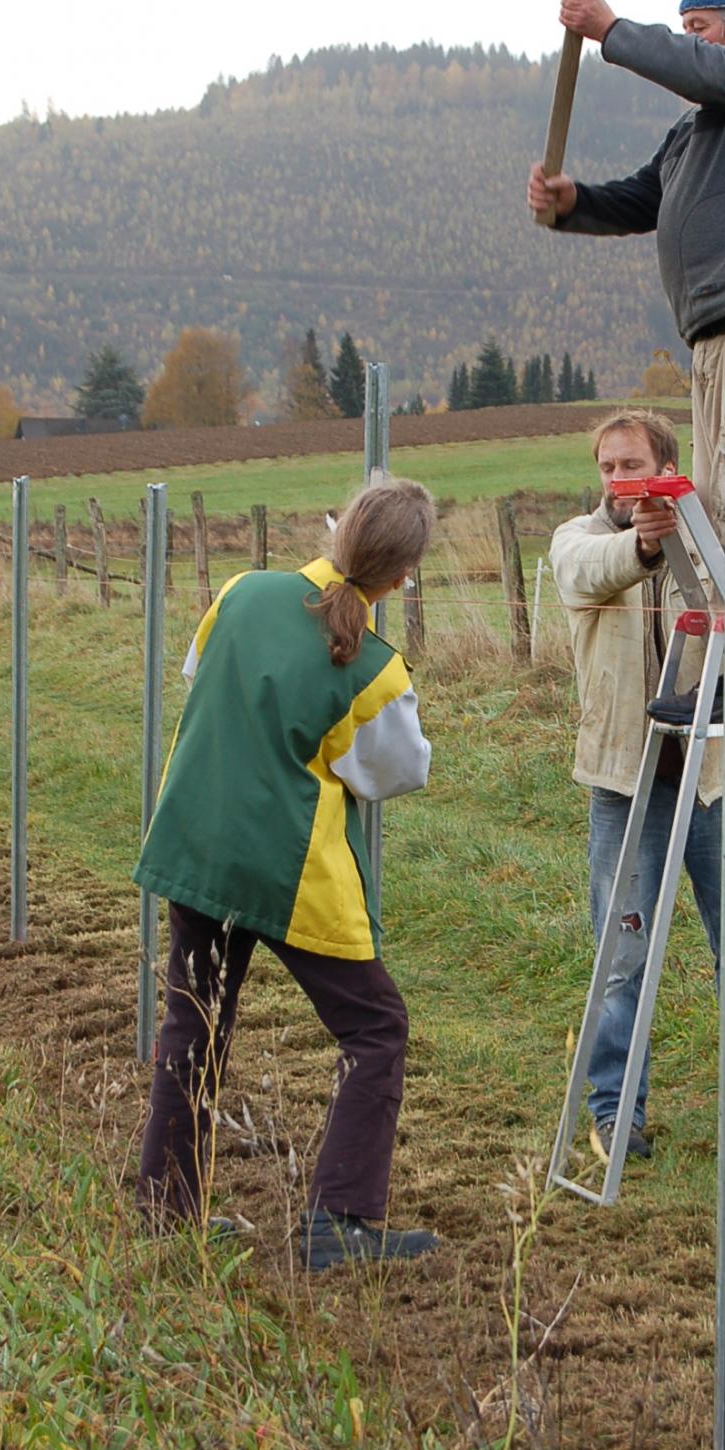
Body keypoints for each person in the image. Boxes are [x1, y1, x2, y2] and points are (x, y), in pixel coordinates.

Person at [134, 476, 439, 1273]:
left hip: (197, 841)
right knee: (375, 1029)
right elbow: (397, 773)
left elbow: (201, 676)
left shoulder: (241, 592)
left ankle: (167, 1214)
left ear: (336, 528)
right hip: (288, 871)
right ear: (402, 577)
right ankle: (340, 1222)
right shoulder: (374, 667)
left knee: (193, 1025)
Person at [528, 0, 725, 687]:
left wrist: (610, 31)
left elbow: (702, 69)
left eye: (697, 27)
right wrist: (574, 202)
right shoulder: (697, 132)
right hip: (715, 339)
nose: (690, 42)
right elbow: (643, 197)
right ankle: (722, 671)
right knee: (715, 520)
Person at [550, 409, 725, 1162]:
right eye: (609, 469)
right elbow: (587, 572)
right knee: (622, 956)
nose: (621, 481)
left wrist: (682, 536)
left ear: (666, 466)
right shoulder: (578, 540)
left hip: (711, 778)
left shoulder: (711, 550)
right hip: (626, 783)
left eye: (633, 465)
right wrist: (646, 543)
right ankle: (617, 1111)